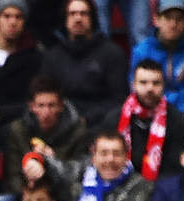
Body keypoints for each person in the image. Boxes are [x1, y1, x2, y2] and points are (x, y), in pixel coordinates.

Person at [38, 0, 127, 128]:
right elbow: (44, 94)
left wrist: (87, 119)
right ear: (65, 19)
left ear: (93, 18)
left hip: (100, 123)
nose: (78, 18)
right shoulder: (52, 56)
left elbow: (118, 100)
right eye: (72, 14)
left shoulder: (112, 54)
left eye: (83, 13)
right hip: (61, 122)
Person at [3, 75, 90, 201]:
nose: (46, 112)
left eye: (51, 105)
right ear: (31, 106)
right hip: (26, 193)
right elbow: (13, 174)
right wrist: (29, 190)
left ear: (61, 106)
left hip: (62, 195)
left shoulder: (77, 131)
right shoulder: (18, 130)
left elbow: (77, 173)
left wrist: (52, 161)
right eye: (40, 106)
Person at [103, 59, 184, 184]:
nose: (150, 88)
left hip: (161, 189)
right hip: (119, 186)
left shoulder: (176, 120)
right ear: (133, 85)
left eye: (156, 83)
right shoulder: (115, 118)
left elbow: (175, 167)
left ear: (163, 86)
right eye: (143, 82)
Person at [128, 0, 184, 118]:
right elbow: (137, 92)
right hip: (151, 115)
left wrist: (173, 116)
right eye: (168, 18)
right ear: (156, 20)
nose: (173, 24)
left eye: (179, 19)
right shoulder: (142, 50)